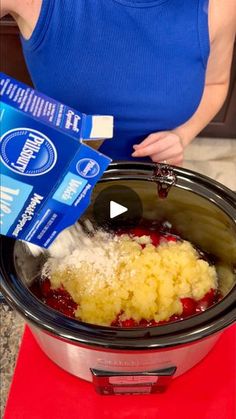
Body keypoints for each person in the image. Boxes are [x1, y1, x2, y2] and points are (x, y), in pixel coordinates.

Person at [1, 0, 236, 164]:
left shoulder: (219, 6)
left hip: (150, 185)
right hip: (48, 178)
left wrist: (182, 135)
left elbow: (215, 84)